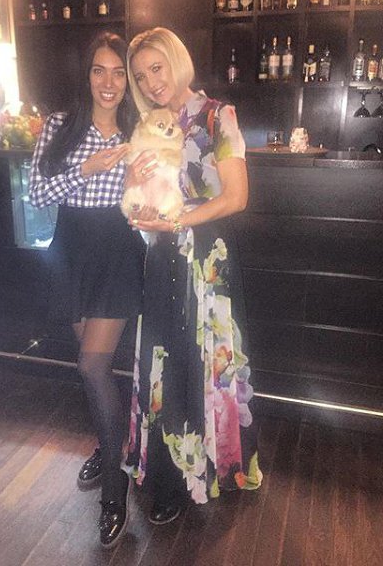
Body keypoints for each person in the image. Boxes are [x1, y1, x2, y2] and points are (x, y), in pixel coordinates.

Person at [124, 27, 263, 524]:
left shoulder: (217, 116)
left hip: (207, 259)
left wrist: (180, 220)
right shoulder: (147, 123)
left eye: (156, 68)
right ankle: (167, 479)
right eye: (141, 76)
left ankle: (218, 466)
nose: (151, 82)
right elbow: (137, 198)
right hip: (162, 255)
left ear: (176, 61)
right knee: (165, 361)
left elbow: (237, 197)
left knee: (209, 360)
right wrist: (135, 191)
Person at [28, 31, 145, 549]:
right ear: (87, 75)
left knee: (92, 367)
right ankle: (109, 440)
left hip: (117, 249)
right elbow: (37, 193)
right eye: (100, 70)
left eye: (119, 72)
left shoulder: (138, 130)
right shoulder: (61, 125)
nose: (109, 82)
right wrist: (87, 168)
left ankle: (116, 491)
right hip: (72, 248)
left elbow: (153, 189)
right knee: (96, 368)